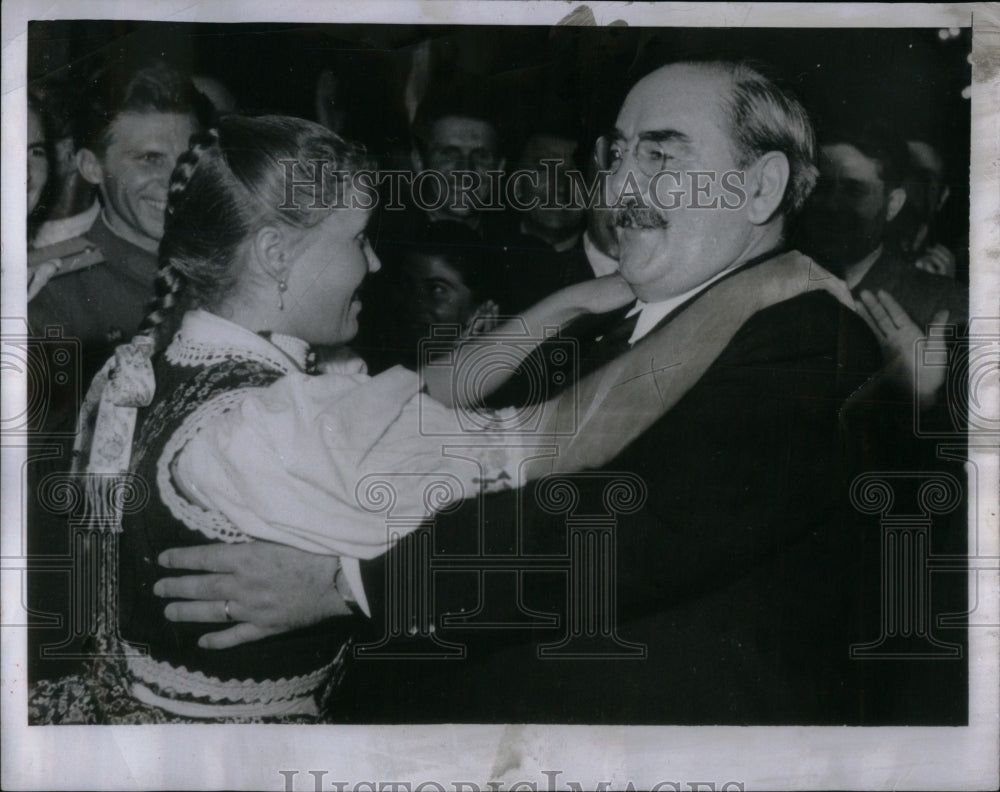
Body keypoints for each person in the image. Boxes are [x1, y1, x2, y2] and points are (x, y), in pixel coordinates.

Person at [150, 61, 967, 725]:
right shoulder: (608, 319)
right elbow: (462, 436)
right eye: (616, 151)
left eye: (663, 153)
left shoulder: (813, 340)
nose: (619, 182)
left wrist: (348, 584)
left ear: (758, 190)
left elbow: (615, 526)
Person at [37, 112, 825, 723]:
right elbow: (544, 441)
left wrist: (571, 302)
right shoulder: (275, 428)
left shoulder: (161, 362)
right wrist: (749, 293)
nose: (374, 266)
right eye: (358, 240)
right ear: (276, 255)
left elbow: (409, 399)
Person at [28, 60, 209, 400]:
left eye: (189, 159)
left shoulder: (229, 268)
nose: (178, 181)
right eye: (150, 159)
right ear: (92, 167)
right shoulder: (53, 295)